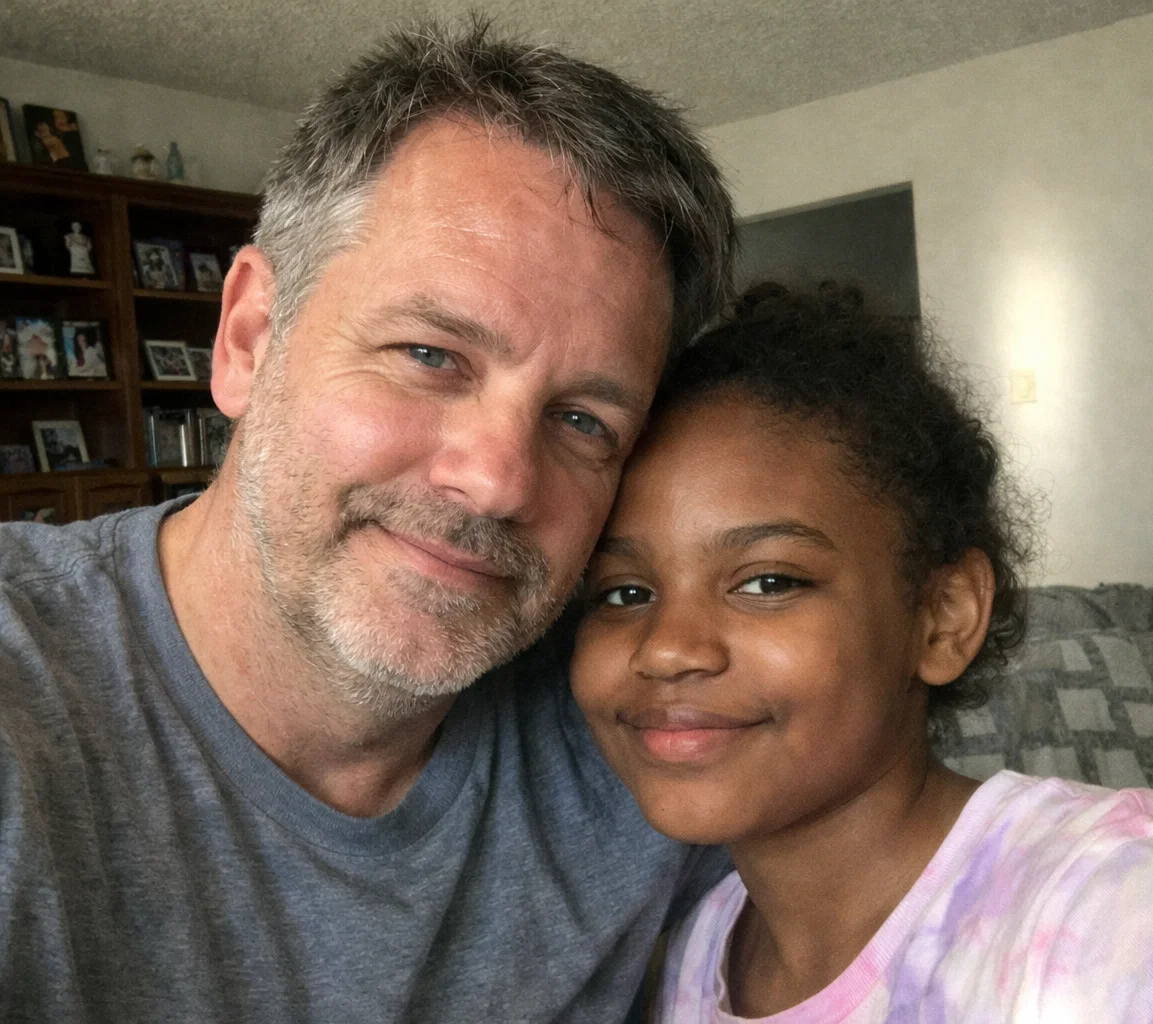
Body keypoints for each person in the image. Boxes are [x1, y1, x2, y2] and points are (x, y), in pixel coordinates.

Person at [0, 17, 734, 1023]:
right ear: (250, 337)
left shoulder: (643, 726)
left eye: (581, 421)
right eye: (430, 355)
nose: (498, 481)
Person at [569, 284, 1153, 1023]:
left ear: (943, 618)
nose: (666, 649)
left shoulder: (1124, 896)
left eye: (768, 581)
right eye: (622, 592)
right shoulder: (695, 951)